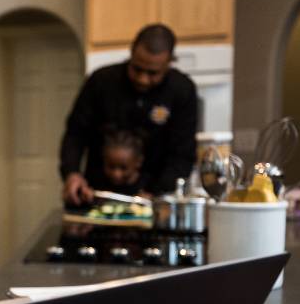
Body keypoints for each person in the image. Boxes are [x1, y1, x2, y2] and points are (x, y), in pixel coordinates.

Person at [59, 23, 198, 206]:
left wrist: (157, 193)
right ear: (131, 52)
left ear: (169, 63)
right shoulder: (101, 81)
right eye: (137, 69)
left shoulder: (182, 91)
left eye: (152, 73)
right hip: (95, 194)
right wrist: (72, 173)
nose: (143, 79)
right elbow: (75, 133)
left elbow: (182, 153)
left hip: (152, 198)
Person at [99, 127, 146, 196]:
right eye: (111, 166)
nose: (116, 174)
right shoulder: (98, 181)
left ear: (138, 162)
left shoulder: (148, 185)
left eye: (123, 168)